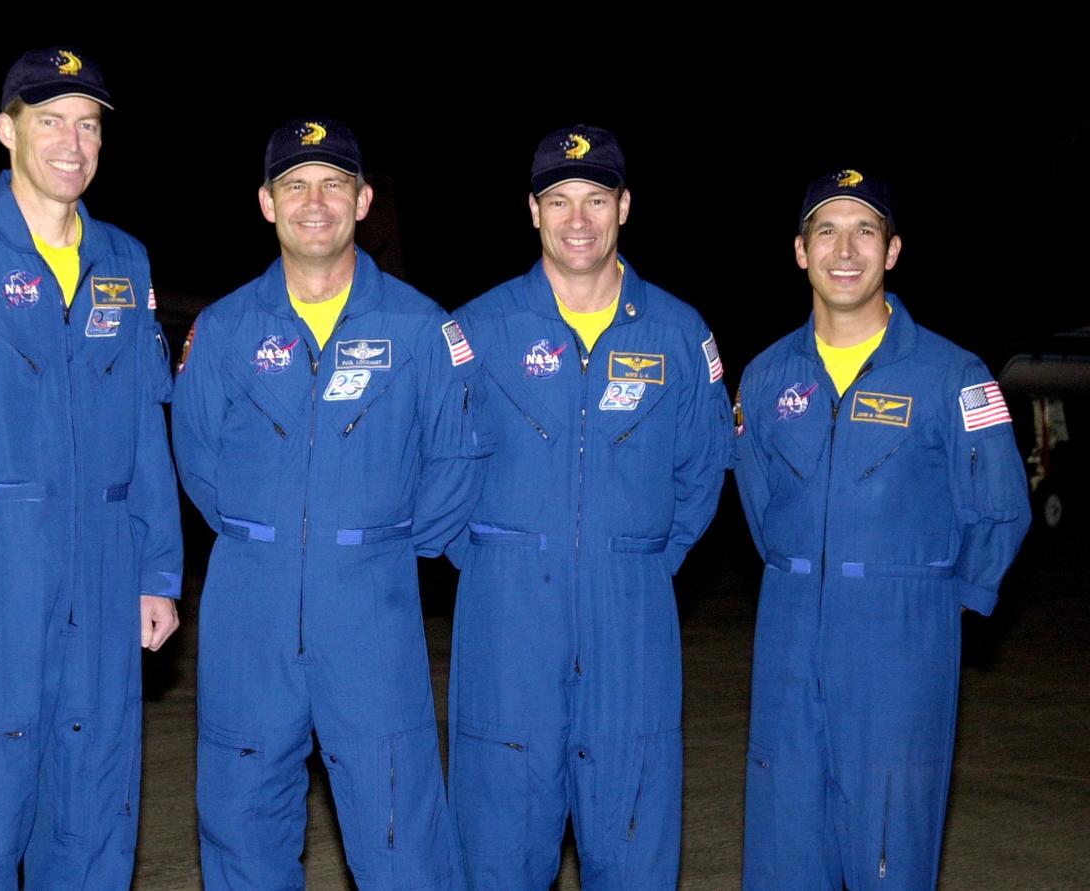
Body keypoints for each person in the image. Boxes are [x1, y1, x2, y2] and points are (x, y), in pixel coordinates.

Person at [0, 48, 183, 889]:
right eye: (50, 121)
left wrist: (158, 569)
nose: (71, 143)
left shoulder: (125, 260)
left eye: (87, 126)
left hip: (105, 576)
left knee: (92, 827)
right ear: (7, 129)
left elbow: (145, 426)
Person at [171, 118, 487, 891]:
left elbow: (454, 464)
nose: (316, 201)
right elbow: (198, 457)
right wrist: (268, 533)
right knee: (243, 827)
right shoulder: (224, 329)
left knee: (399, 833)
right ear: (266, 203)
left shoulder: (420, 328)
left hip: (372, 611)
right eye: (295, 185)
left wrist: (372, 545)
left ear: (364, 199)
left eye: (334, 183)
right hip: (251, 604)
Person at [447, 125, 732, 890]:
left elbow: (704, 469)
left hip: (631, 623)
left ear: (625, 206)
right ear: (533, 212)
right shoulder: (476, 331)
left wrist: (636, 561)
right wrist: (491, 559)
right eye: (560, 200)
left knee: (633, 849)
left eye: (597, 199)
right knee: (498, 853)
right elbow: (432, 467)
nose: (579, 219)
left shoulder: (678, 332)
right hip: (506, 625)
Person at [733, 169, 1030, 889]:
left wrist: (937, 602)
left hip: (901, 641)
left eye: (864, 230)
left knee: (889, 848)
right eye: (825, 230)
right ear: (799, 252)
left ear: (892, 251)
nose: (845, 248)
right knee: (785, 844)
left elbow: (1000, 505)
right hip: (790, 633)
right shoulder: (768, 376)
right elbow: (759, 498)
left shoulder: (952, 374)